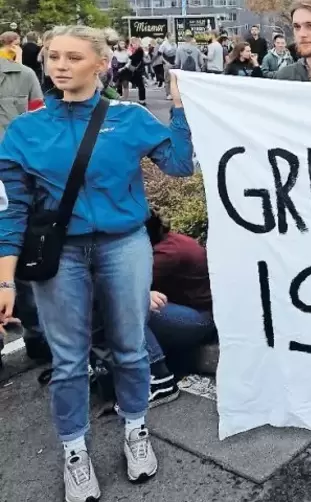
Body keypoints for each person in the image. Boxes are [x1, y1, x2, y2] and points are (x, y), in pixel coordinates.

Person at [0, 25, 194, 501]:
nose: (59, 65)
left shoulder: (129, 118)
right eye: (52, 57)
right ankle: (74, 451)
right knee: (68, 361)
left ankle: (136, 429)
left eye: (72, 57)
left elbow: (180, 165)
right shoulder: (24, 129)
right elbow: (11, 212)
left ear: (100, 64)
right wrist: (5, 281)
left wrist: (183, 108)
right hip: (58, 253)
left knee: (130, 347)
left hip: (123, 245)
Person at [144, 208, 216, 391]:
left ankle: (159, 377)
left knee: (128, 305)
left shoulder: (165, 255)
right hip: (190, 311)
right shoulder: (167, 241)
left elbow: (118, 287)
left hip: (202, 319)